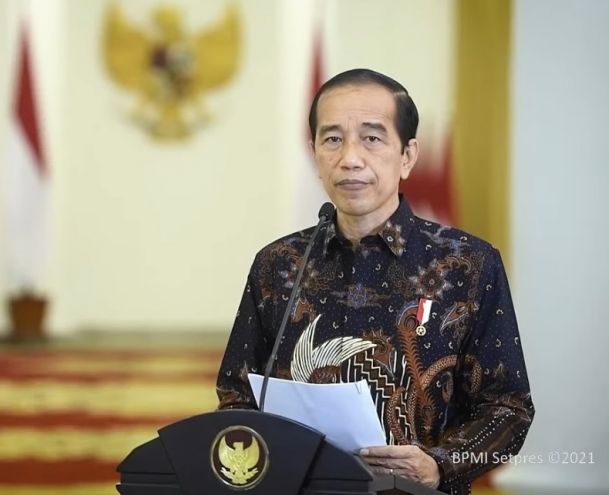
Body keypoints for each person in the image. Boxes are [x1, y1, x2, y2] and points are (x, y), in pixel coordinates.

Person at [215, 68, 534, 495]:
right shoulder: (278, 264)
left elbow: (508, 406)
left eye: (372, 138)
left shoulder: (467, 265)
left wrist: (439, 465)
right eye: (332, 139)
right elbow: (236, 393)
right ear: (314, 153)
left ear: (407, 155)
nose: (350, 158)